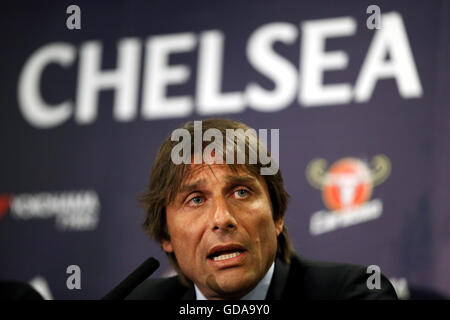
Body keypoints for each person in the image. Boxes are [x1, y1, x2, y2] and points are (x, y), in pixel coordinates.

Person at [127, 118, 397, 300]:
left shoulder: (351, 294)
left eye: (241, 192)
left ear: (277, 215)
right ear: (166, 235)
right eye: (196, 199)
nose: (222, 218)